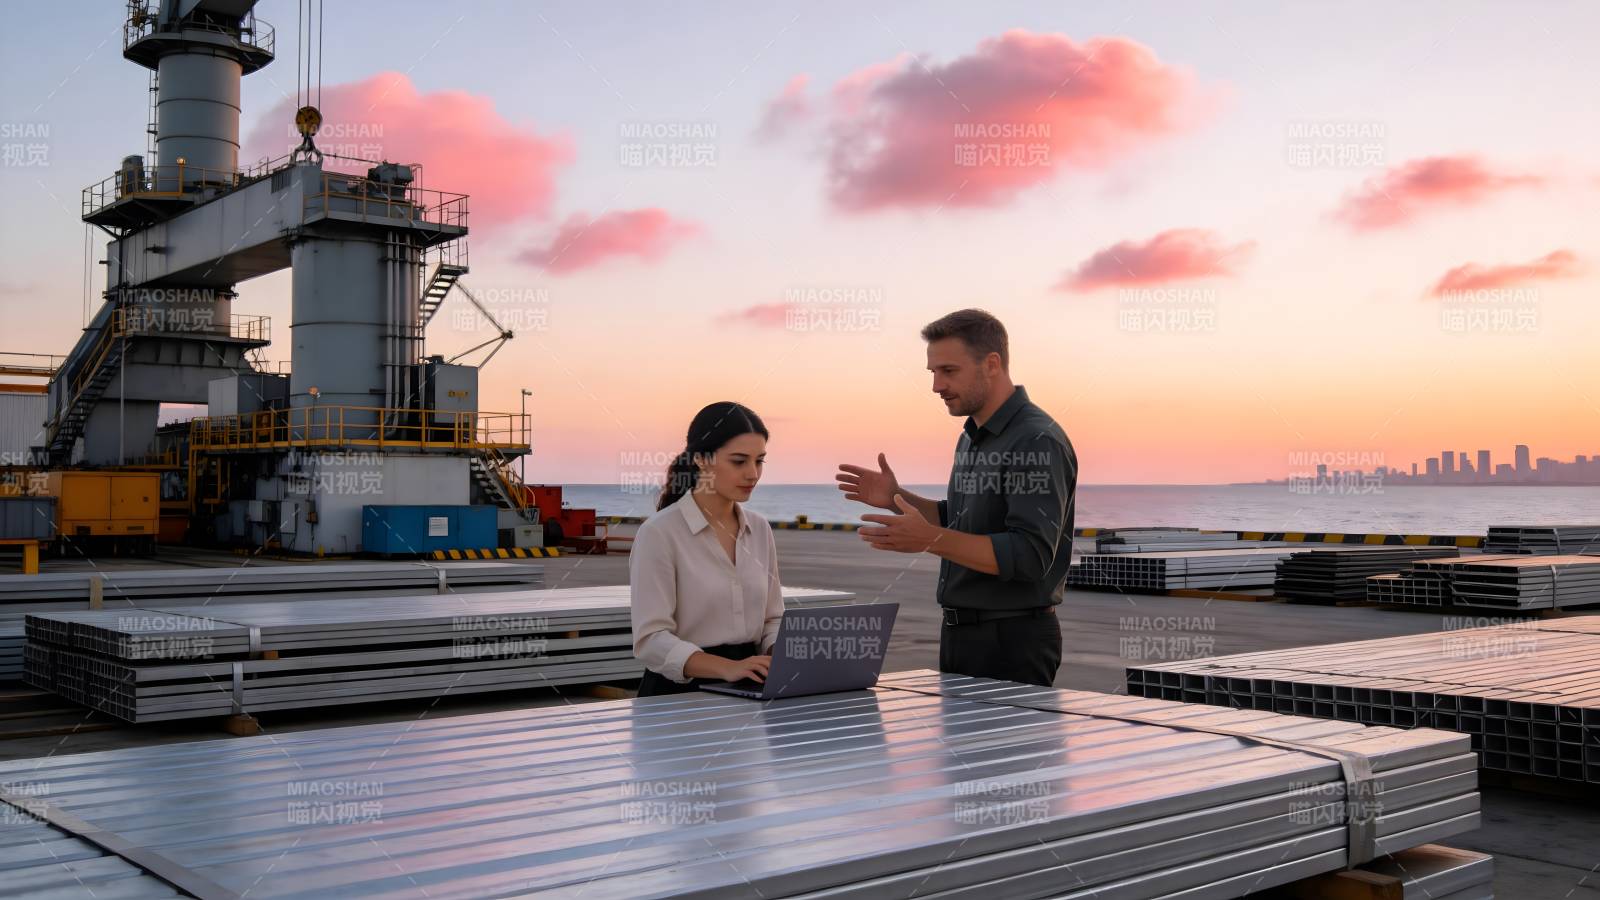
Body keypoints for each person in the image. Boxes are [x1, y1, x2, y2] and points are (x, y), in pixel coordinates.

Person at [837, 308, 1076, 687]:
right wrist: (897, 498)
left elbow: (1030, 555)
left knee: (1005, 749)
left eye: (949, 371)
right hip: (961, 634)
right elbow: (960, 521)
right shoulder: (971, 438)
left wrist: (930, 540)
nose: (936, 385)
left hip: (1012, 641)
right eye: (933, 372)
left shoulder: (1035, 439)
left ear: (992, 364)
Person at [630, 401, 785, 697]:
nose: (753, 474)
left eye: (760, 461)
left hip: (751, 683)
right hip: (677, 695)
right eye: (739, 462)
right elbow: (650, 639)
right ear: (701, 459)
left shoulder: (760, 529)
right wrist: (726, 667)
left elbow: (773, 618)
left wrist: (780, 652)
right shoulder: (659, 533)